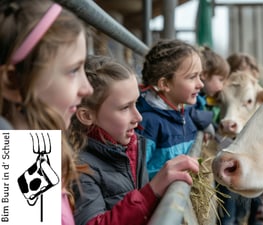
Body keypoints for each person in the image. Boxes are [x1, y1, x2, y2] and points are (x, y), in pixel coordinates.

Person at [67, 55, 200, 225]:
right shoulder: (79, 168)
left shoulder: (132, 145)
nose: (138, 117)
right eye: (124, 108)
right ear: (87, 115)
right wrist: (151, 192)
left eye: (136, 103)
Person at [0, 1, 93, 225]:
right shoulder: (20, 160)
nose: (87, 88)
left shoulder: (34, 148)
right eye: (73, 70)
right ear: (14, 82)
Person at [136, 39, 209, 179]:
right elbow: (138, 175)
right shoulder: (147, 123)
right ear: (165, 84)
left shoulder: (184, 110)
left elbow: (200, 116)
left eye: (199, 76)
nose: (200, 84)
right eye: (192, 77)